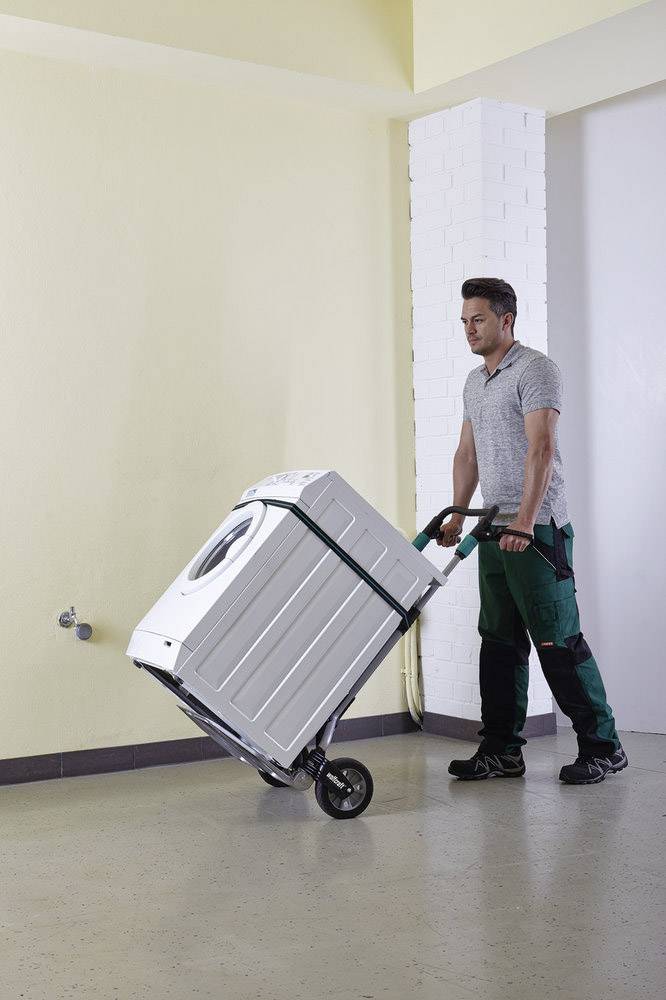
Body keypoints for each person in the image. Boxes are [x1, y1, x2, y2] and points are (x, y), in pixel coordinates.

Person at [437, 277, 627, 784]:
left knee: (557, 641)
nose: (469, 330)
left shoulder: (537, 369)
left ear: (506, 320)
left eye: (478, 319)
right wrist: (458, 512)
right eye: (464, 321)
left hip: (537, 531)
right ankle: (502, 749)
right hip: (494, 533)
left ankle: (603, 746)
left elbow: (541, 447)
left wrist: (525, 518)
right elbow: (467, 453)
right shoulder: (475, 382)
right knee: (498, 641)